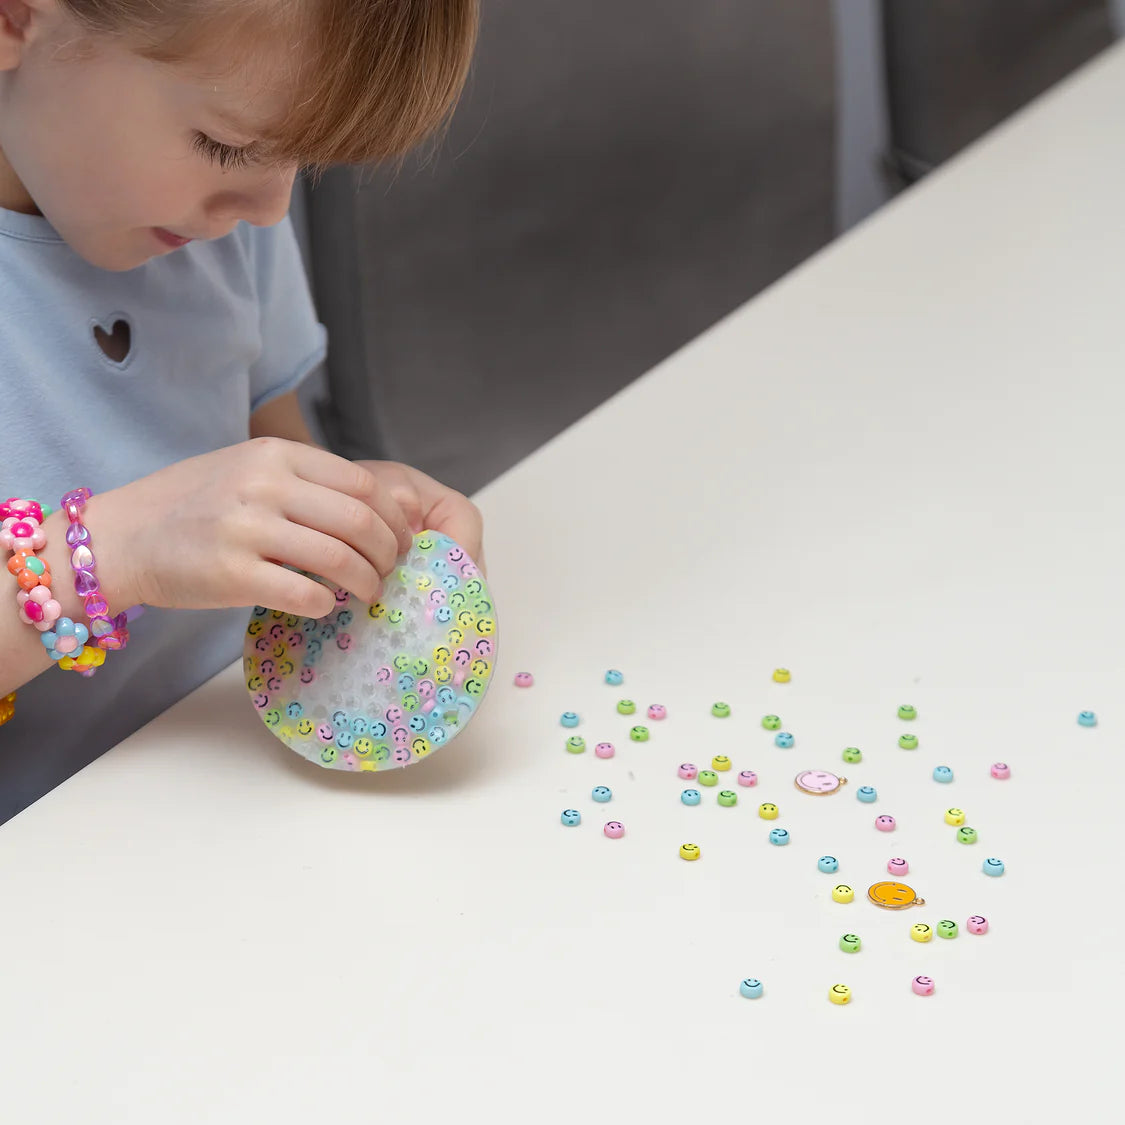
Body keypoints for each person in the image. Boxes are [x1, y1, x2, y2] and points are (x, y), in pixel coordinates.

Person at [0, 0, 483, 823]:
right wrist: (119, 551)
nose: (268, 206)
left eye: (299, 155)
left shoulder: (212, 222)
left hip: (236, 792)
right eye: (225, 145)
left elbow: (273, 450)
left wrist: (351, 522)